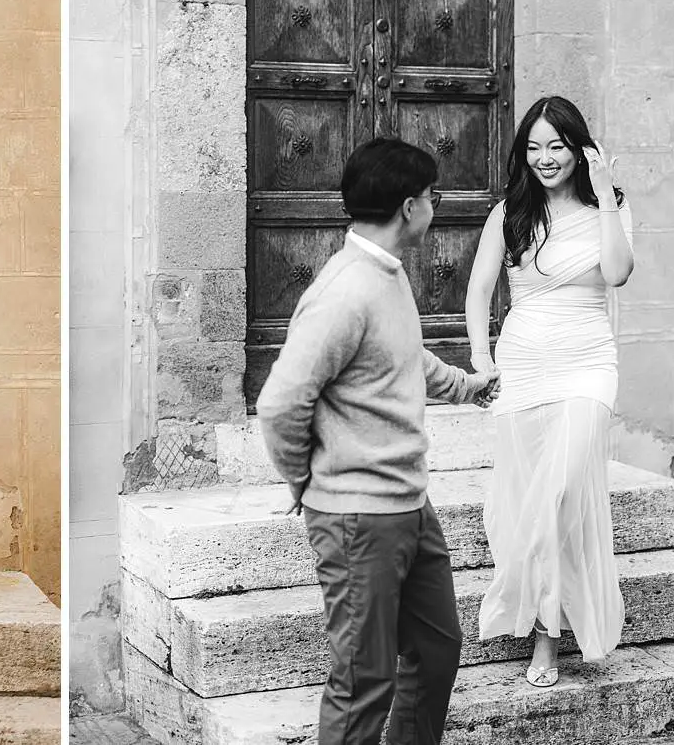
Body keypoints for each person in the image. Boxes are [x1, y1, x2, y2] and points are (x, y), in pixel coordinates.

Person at [258, 138, 499, 745]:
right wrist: (304, 480)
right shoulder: (344, 292)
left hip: (411, 507)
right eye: (434, 197)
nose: (435, 207)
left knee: (438, 651)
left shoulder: (386, 275)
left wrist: (468, 387)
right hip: (358, 518)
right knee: (364, 683)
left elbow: (405, 358)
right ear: (410, 206)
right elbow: (281, 402)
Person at [465, 95, 633, 687]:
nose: (544, 158)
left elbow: (616, 273)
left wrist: (607, 193)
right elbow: (480, 291)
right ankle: (543, 619)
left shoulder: (610, 208)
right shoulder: (508, 211)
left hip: (588, 364)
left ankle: (546, 637)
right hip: (524, 366)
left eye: (555, 146)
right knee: (525, 501)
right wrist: (482, 362)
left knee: (556, 494)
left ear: (578, 147)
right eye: (533, 148)